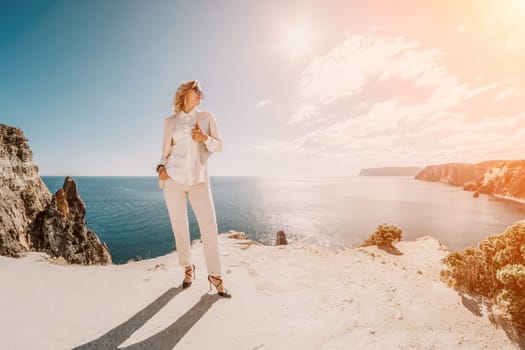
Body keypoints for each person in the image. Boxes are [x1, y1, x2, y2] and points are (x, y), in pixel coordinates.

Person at [156, 79, 231, 298]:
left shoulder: (206, 118)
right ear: (186, 93)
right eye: (197, 90)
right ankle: (188, 268)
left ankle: (216, 276)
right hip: (173, 179)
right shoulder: (170, 122)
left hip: (198, 180)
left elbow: (220, 145)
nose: (201, 94)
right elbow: (165, 152)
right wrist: (161, 167)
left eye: (201, 91)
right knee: (180, 226)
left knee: (209, 227)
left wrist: (204, 138)